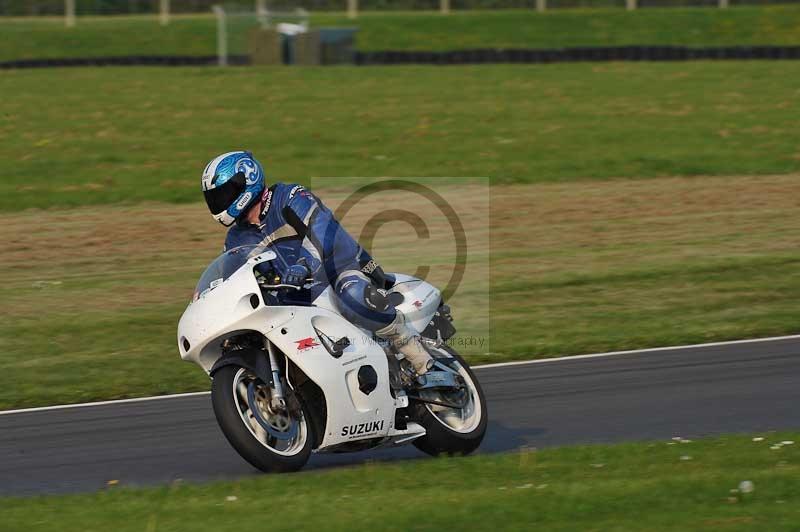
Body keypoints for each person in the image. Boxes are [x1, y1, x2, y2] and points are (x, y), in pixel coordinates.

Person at [200, 150, 433, 375]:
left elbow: (321, 230)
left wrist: (304, 264)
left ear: (248, 178)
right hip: (295, 298)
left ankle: (417, 355)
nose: (219, 202)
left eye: (224, 193)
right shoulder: (236, 238)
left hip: (338, 270)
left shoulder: (288, 196)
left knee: (351, 294)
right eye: (215, 197)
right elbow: (232, 276)